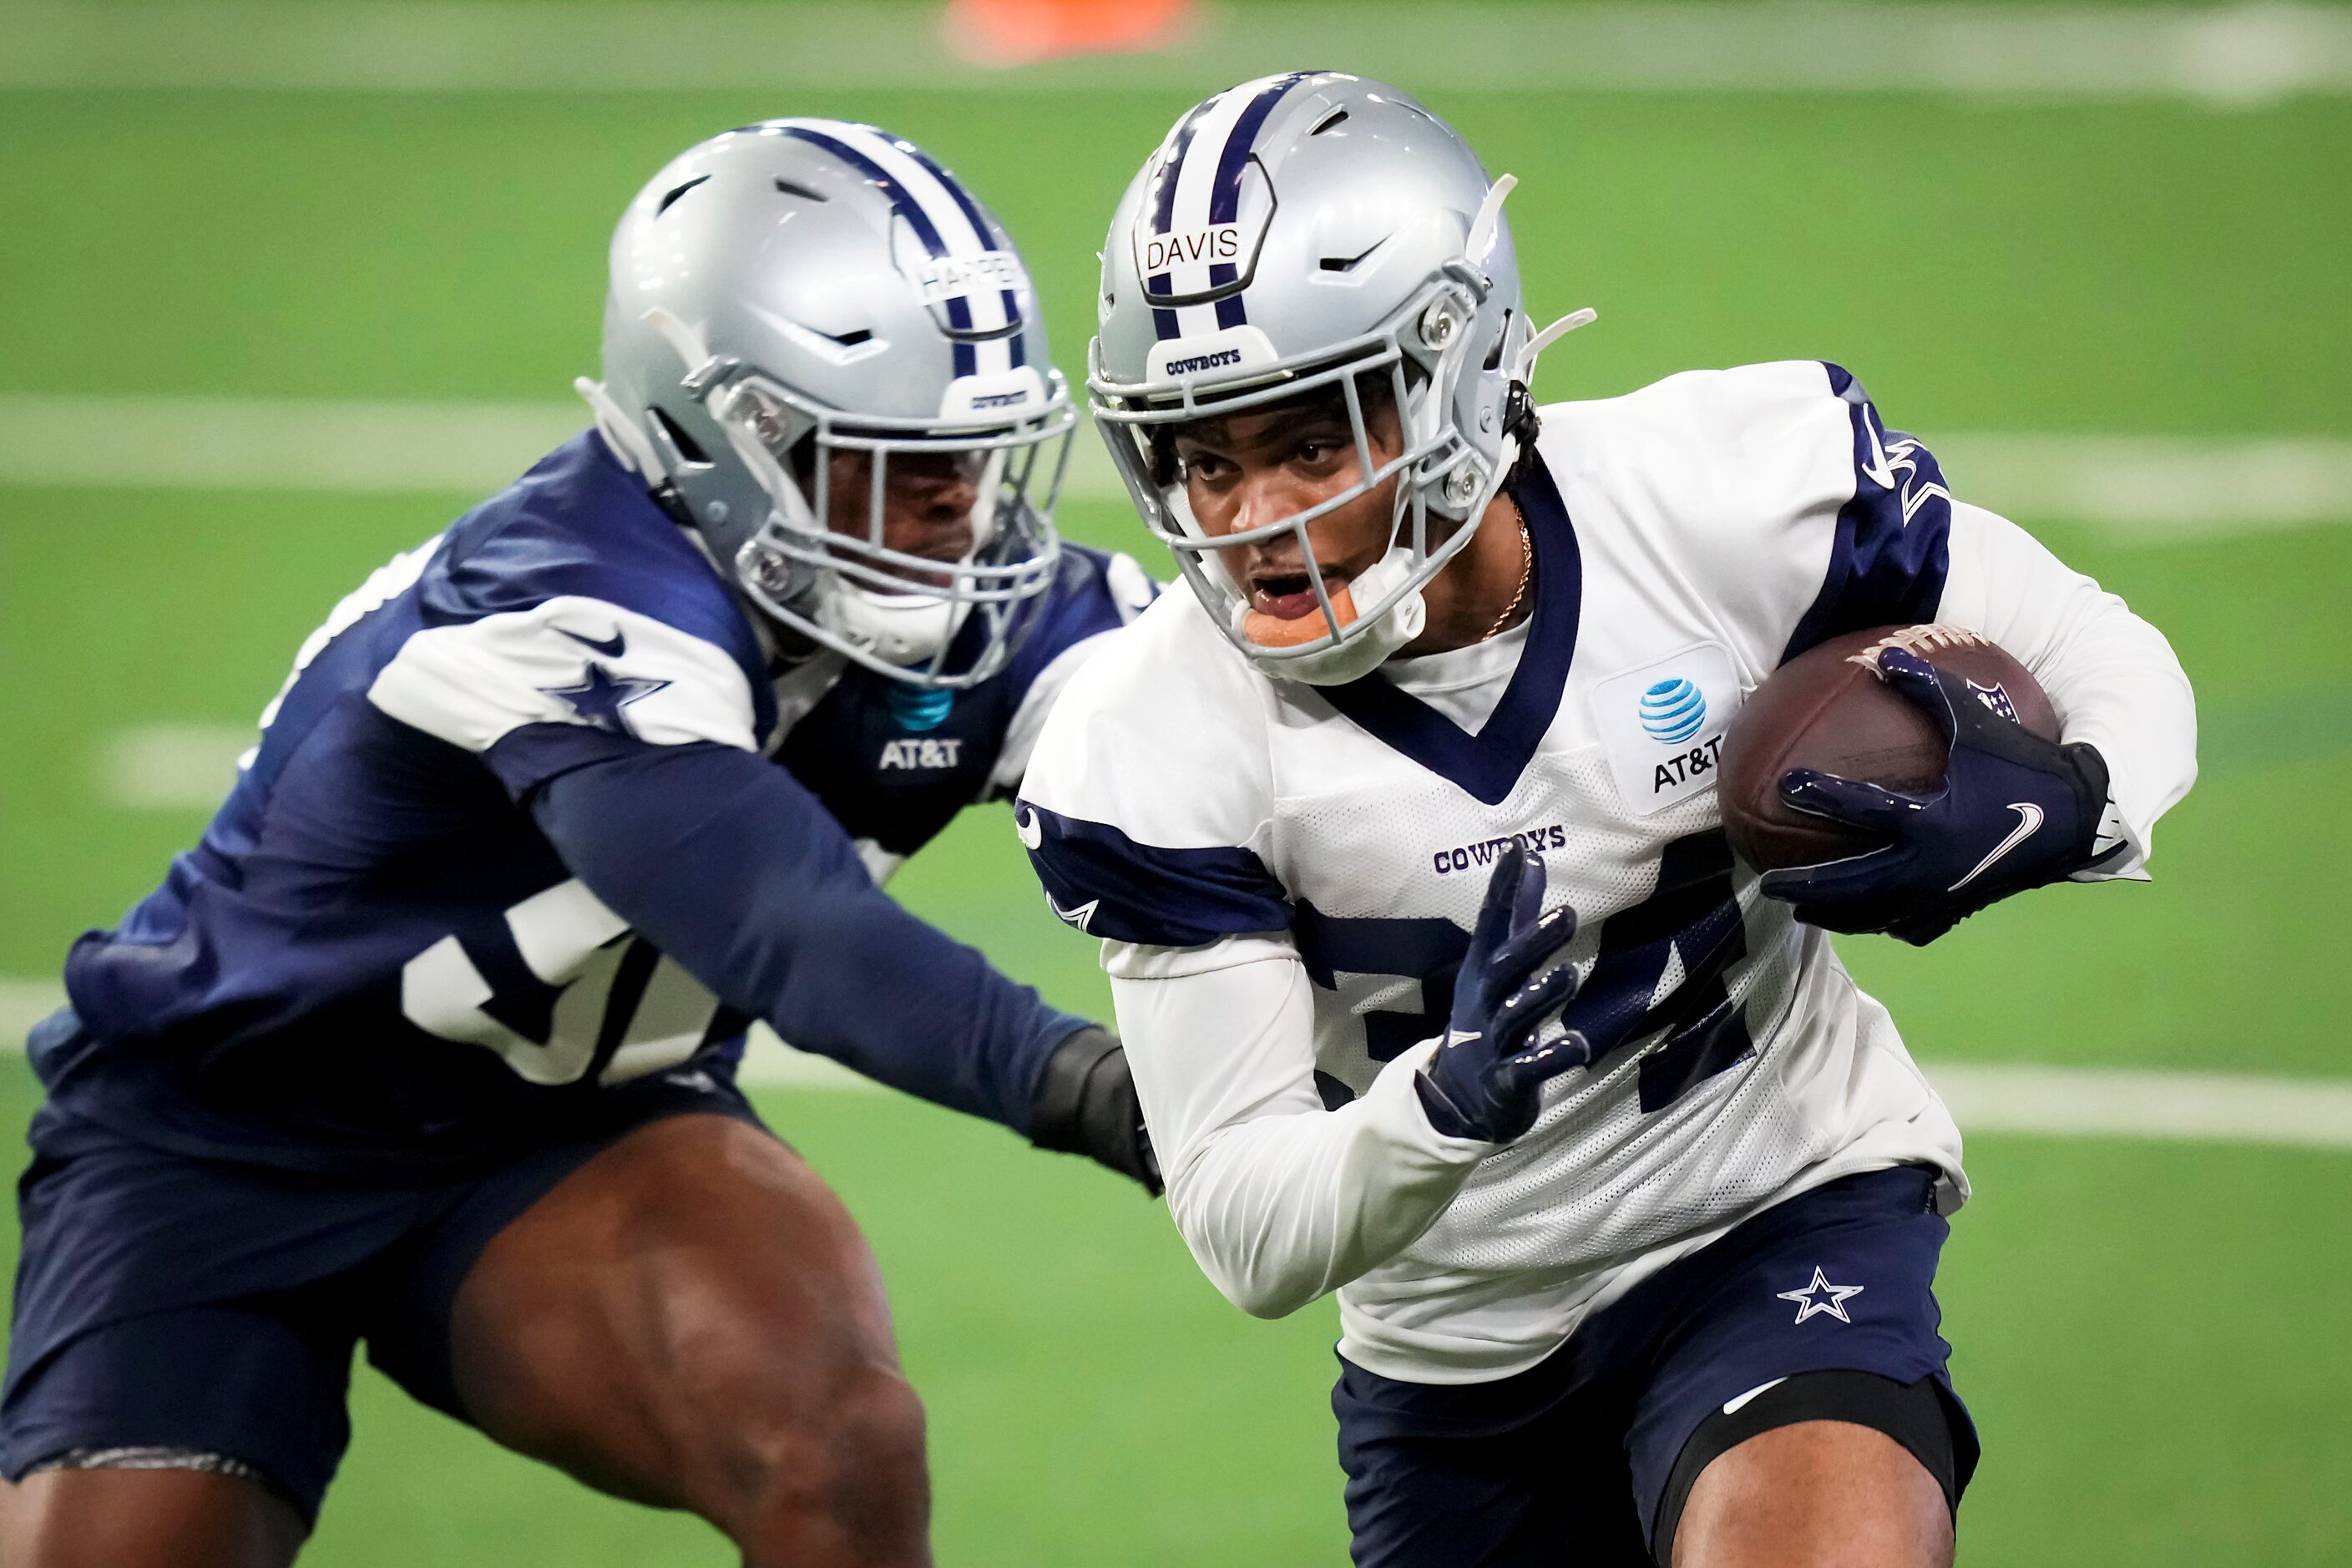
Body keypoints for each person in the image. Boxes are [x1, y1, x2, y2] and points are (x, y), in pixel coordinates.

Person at [1019, 73, 2195, 1567]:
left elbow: (2104, 653)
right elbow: (1249, 1226)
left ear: (1453, 387)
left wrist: (2070, 804)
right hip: (1453, 1352)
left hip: (1771, 1208)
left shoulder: (1718, 501)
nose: (1251, 517)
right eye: (1206, 456)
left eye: (1308, 442)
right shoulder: (1150, 739)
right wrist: (1436, 1109)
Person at [1, 119, 1158, 1568]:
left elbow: (1241, 778)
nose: (959, 513)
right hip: (224, 1134)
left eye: (978, 460)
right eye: (889, 464)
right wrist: (1124, 1099)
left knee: (838, 1448)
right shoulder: (563, 599)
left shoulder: (1002, 602)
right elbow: (787, 926)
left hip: (568, 1130)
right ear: (719, 438)